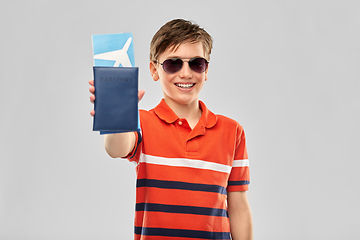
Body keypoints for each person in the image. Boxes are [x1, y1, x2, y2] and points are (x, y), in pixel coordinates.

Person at [89, 19, 253, 240]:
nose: (185, 73)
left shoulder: (232, 131)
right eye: (173, 64)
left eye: (196, 63)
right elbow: (116, 148)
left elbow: (239, 206)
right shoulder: (142, 123)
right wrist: (117, 116)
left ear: (206, 71)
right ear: (154, 70)